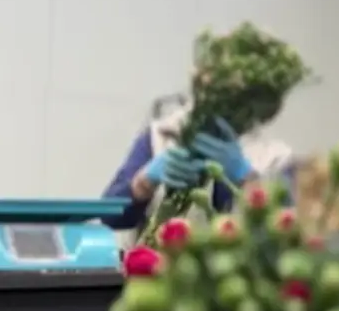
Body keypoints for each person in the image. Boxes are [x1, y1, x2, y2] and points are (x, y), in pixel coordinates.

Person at [101, 102, 293, 247]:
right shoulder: (161, 136)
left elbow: (290, 233)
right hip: (160, 276)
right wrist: (144, 181)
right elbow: (110, 216)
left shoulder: (273, 156)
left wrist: (248, 180)